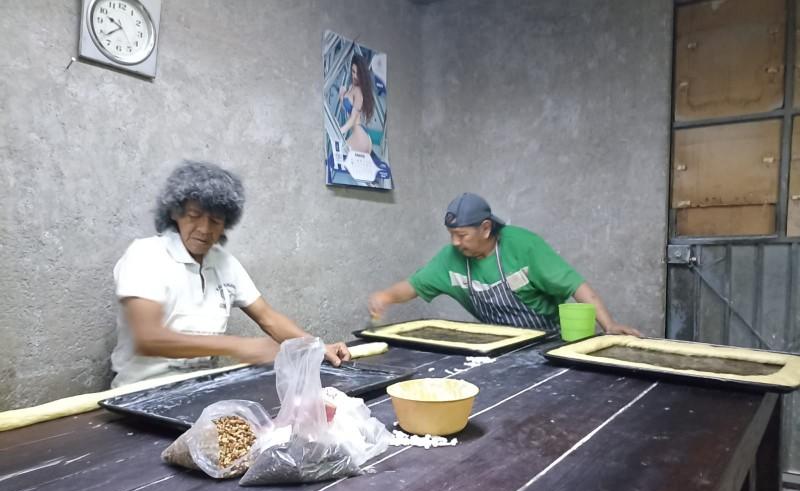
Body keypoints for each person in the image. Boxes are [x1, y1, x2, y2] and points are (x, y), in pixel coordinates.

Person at [110, 160, 350, 387]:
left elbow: (267, 317)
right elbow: (148, 337)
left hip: (203, 388)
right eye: (194, 216)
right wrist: (236, 346)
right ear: (175, 212)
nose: (204, 229)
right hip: (140, 391)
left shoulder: (224, 263)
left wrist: (315, 347)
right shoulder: (146, 254)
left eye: (215, 220)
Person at [368, 192, 641, 336]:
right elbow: (414, 286)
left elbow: (576, 285)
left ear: (485, 228)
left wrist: (609, 325)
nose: (454, 242)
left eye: (461, 235)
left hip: (547, 344)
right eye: (451, 235)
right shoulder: (451, 258)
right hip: (500, 345)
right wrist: (386, 297)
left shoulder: (523, 246)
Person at [339, 54, 375, 154]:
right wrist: (342, 96)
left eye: (358, 73)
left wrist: (340, 131)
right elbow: (347, 110)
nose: (354, 76)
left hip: (360, 136)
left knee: (339, 156)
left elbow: (353, 119)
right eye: (353, 71)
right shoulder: (351, 87)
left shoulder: (358, 91)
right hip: (357, 134)